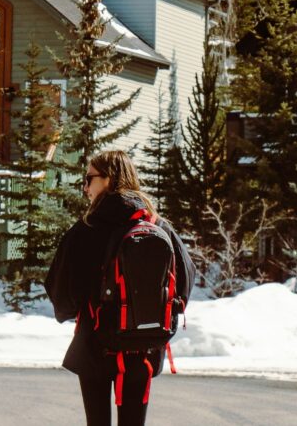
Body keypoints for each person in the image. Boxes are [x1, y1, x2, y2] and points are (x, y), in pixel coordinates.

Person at [45, 150, 194, 426]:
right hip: (144, 344)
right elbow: (185, 280)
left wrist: (68, 310)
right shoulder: (157, 225)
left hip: (96, 346)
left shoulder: (87, 229)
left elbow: (61, 288)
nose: (85, 187)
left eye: (89, 179)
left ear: (109, 179)